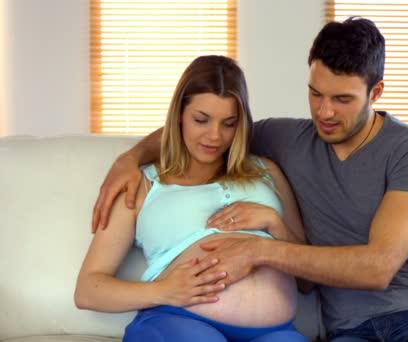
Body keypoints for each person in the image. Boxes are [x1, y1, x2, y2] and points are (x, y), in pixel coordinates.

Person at [92, 18, 408, 342]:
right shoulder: (286, 139)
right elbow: (211, 128)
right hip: (353, 330)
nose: (324, 112)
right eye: (315, 94)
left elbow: (377, 267)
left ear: (375, 94)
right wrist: (130, 158)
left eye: (342, 99)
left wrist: (263, 247)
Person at [75, 55, 308, 342]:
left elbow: (309, 281)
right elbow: (87, 289)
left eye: (229, 123)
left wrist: (275, 223)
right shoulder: (143, 183)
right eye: (201, 120)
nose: (215, 136)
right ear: (180, 115)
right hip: (179, 320)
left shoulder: (266, 171)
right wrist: (163, 291)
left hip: (274, 331)